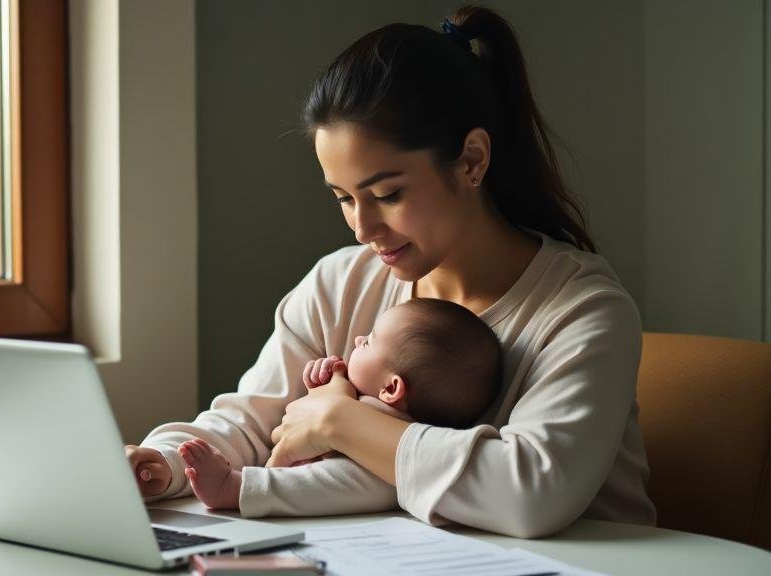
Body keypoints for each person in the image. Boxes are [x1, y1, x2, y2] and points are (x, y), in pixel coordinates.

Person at [125, 5, 656, 537]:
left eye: (387, 194)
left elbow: (531, 493)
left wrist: (340, 420)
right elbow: (249, 421)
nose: (362, 228)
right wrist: (164, 464)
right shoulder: (341, 284)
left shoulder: (584, 310)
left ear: (472, 160)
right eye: (344, 199)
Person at [177, 297, 504, 511]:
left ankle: (232, 488)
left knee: (326, 486)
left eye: (371, 340)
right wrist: (322, 384)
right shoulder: (355, 395)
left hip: (363, 481)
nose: (359, 339)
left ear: (391, 388)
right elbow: (319, 414)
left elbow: (333, 419)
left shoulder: (389, 424)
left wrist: (334, 397)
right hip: (304, 462)